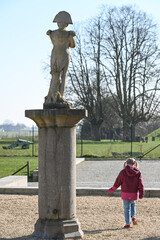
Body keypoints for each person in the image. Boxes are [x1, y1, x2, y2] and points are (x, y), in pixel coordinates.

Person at [45, 11, 76, 105]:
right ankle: (59, 95)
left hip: (55, 53)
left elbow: (53, 41)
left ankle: (54, 95)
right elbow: (73, 45)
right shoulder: (68, 34)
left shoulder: (52, 33)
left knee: (56, 74)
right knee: (62, 75)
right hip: (63, 53)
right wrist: (71, 36)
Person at [108, 158, 144, 228]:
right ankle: (133, 216)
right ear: (134, 164)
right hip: (134, 192)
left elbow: (117, 182)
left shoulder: (123, 172)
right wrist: (141, 193)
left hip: (125, 193)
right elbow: (141, 183)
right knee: (133, 204)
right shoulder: (138, 172)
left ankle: (128, 223)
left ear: (126, 163)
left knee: (126, 208)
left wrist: (112, 189)